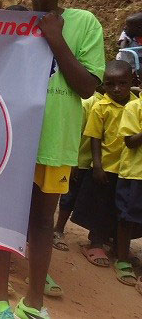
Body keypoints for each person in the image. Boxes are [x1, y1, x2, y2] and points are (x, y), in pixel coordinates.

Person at [0, 0, 104, 319]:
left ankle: (34, 303)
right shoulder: (9, 22)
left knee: (42, 221)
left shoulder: (85, 23)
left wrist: (55, 38)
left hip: (54, 142)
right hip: (10, 139)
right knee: (3, 218)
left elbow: (87, 88)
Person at [70, 61, 135, 267]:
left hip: (128, 169)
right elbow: (95, 137)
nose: (116, 89)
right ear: (103, 85)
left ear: (132, 81)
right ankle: (95, 242)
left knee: (121, 208)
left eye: (122, 83)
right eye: (110, 84)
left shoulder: (136, 105)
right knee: (100, 206)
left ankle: (118, 245)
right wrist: (96, 165)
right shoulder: (101, 107)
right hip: (106, 166)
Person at [52, 88, 103, 252]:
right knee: (69, 196)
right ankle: (58, 229)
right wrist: (72, 160)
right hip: (79, 160)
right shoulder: (88, 103)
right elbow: (75, 131)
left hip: (98, 165)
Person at [116, 76, 142, 293]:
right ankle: (122, 257)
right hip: (135, 173)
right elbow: (130, 141)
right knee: (128, 216)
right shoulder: (134, 107)